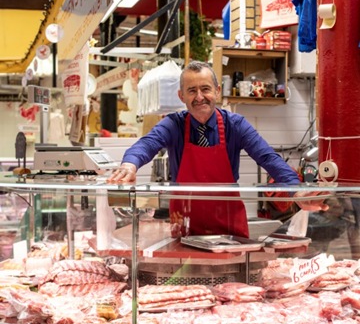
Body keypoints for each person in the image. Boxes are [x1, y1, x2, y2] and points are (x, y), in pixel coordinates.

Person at [108, 60, 324, 237]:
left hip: (228, 224)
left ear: (217, 92)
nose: (199, 97)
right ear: (181, 96)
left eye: (205, 89)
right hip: (184, 223)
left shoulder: (235, 125)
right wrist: (130, 163)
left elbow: (267, 157)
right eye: (192, 91)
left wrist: (296, 189)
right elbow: (148, 143)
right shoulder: (173, 124)